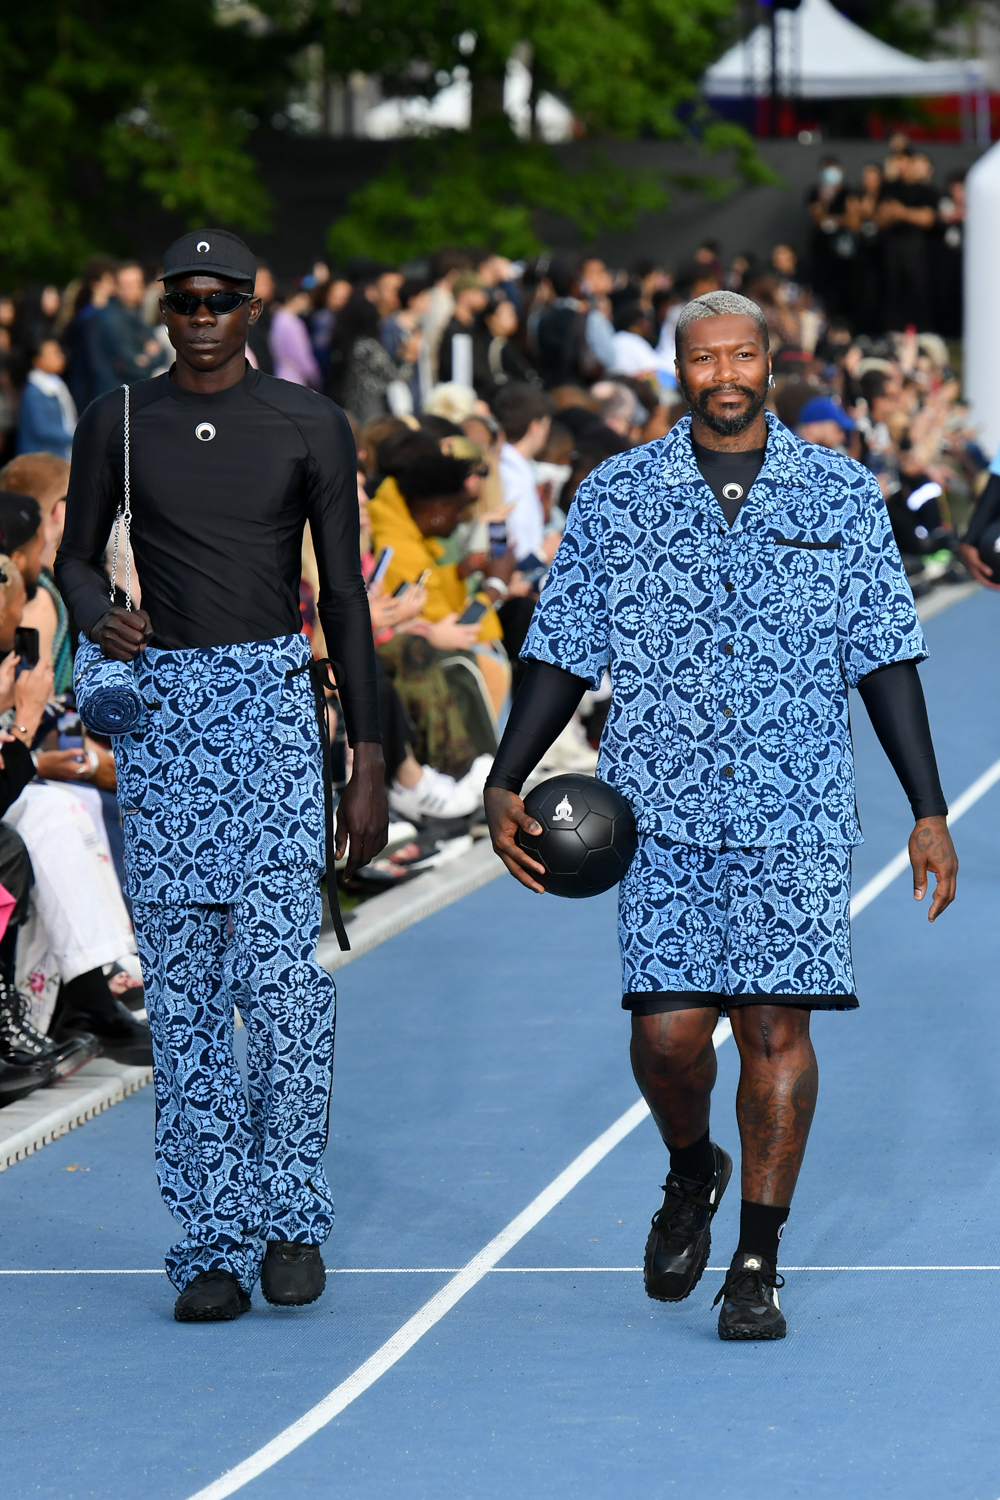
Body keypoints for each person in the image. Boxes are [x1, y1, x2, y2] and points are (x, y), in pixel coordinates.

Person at [484, 289, 957, 1341]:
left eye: (744, 355)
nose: (726, 374)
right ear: (679, 371)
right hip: (658, 818)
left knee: (774, 1031)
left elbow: (885, 661)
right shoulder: (617, 496)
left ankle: (756, 1262)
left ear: (770, 363)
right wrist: (504, 776)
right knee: (666, 1040)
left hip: (795, 813)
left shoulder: (839, 492)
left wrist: (928, 809)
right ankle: (692, 1166)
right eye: (706, 359)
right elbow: (560, 651)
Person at [55, 227, 386, 1324]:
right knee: (188, 998)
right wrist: (99, 613)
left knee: (284, 991)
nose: (199, 317)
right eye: (183, 300)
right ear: (163, 308)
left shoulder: (310, 421)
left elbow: (343, 596)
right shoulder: (117, 420)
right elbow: (71, 557)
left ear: (253, 308)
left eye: (219, 300)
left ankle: (291, 1217)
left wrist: (369, 758)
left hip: (273, 711)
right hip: (164, 721)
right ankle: (209, 1239)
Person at [494, 383, 555, 565]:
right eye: (546, 426)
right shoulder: (511, 475)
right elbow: (513, 549)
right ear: (535, 426)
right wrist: (542, 554)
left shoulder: (514, 469)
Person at [877, 151, 937, 331]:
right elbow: (881, 217)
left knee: (918, 289)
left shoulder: (926, 191)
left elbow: (927, 219)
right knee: (892, 288)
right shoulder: (889, 188)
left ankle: (922, 331)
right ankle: (893, 330)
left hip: (916, 245)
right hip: (891, 245)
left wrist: (901, 212)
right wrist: (908, 214)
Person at [92, 262, 163, 394]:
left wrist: (146, 359)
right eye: (128, 285)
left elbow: (162, 353)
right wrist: (149, 357)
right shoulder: (111, 319)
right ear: (117, 287)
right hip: (116, 396)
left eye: (138, 284)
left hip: (130, 393)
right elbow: (130, 365)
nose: (134, 289)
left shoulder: (136, 314)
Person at [16, 339, 77, 461]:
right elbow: (42, 429)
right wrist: (75, 435)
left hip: (58, 454)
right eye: (54, 353)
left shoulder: (57, 384)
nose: (60, 357)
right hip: (40, 458)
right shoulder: (35, 391)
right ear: (37, 359)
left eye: (59, 352)